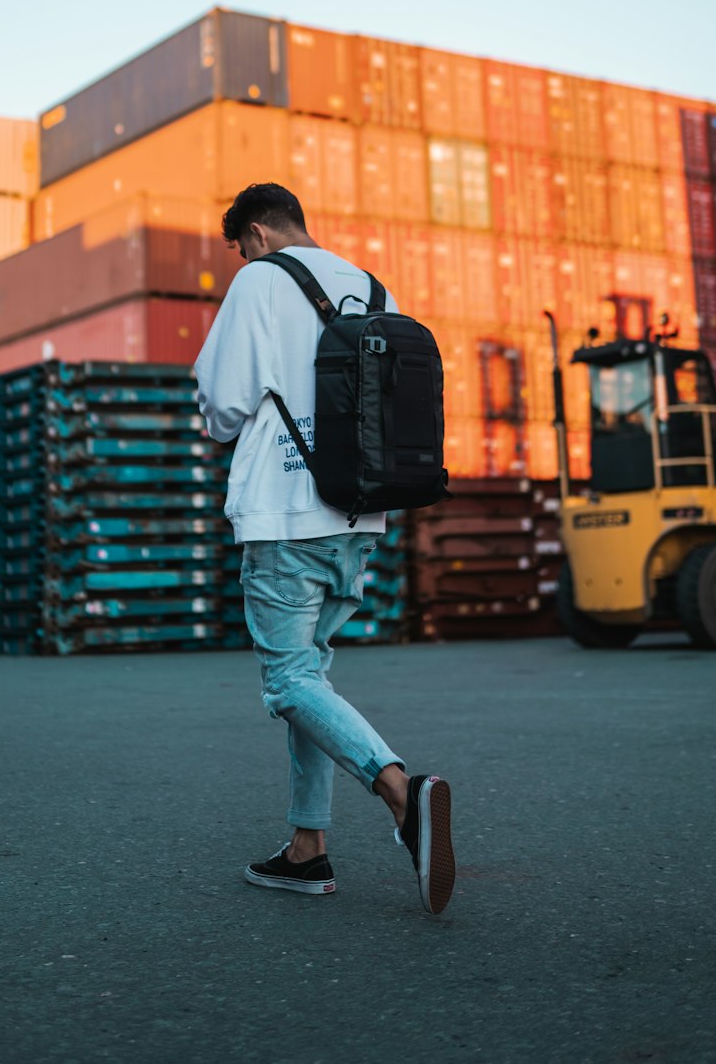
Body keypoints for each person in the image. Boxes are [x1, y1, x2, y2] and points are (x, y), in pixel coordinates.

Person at [194, 182, 455, 916]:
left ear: (257, 233)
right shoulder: (373, 286)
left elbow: (223, 405)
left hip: (285, 513)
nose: (243, 258)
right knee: (311, 682)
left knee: (287, 682)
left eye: (242, 247)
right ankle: (307, 849)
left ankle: (403, 795)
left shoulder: (259, 280)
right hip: (358, 516)